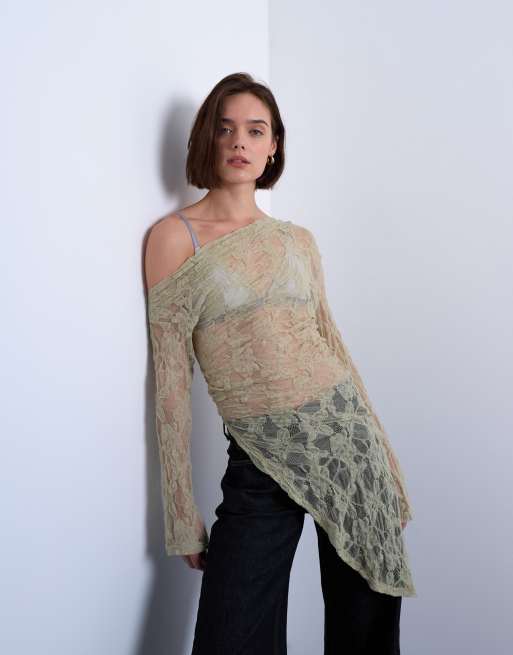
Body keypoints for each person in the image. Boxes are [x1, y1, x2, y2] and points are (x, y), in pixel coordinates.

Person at [145, 72, 416, 654]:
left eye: (254, 130)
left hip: (345, 443)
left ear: (273, 147)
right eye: (225, 129)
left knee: (365, 627)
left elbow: (332, 345)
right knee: (231, 634)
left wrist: (388, 466)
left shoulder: (297, 241)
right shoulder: (174, 238)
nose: (238, 142)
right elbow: (170, 381)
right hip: (258, 456)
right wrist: (180, 511)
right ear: (206, 139)